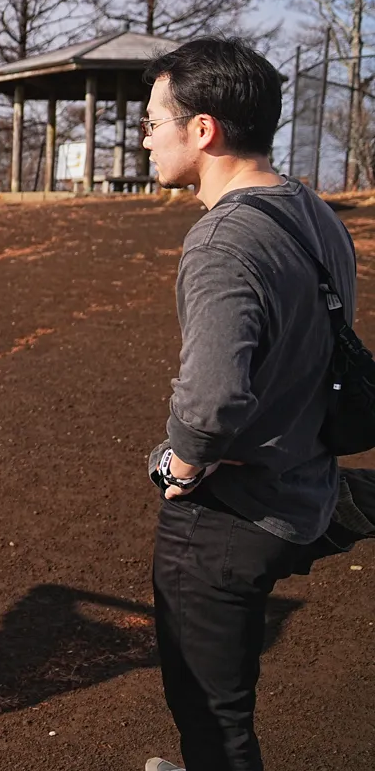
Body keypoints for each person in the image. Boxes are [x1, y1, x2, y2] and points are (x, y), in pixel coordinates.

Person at [139, 39, 356, 771]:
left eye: (151, 122)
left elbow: (212, 401)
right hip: (305, 486)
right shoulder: (312, 212)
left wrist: (179, 461)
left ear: (203, 130)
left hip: (229, 519)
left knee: (214, 719)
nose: (144, 137)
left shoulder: (221, 241)